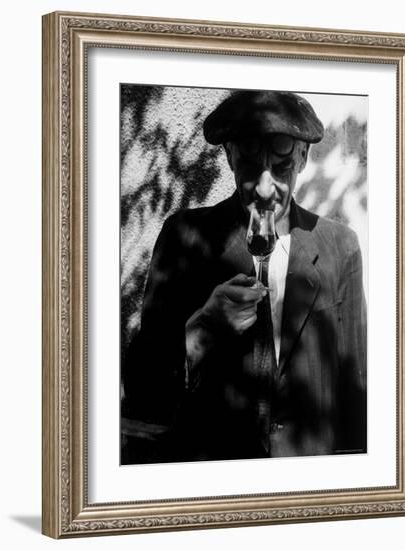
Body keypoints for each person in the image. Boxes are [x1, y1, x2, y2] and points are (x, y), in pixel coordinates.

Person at [122, 90, 367, 464]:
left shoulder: (340, 247)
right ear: (229, 157)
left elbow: (355, 389)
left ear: (303, 157)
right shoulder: (184, 238)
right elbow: (144, 390)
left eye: (281, 167)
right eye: (251, 166)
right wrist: (202, 329)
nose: (265, 188)